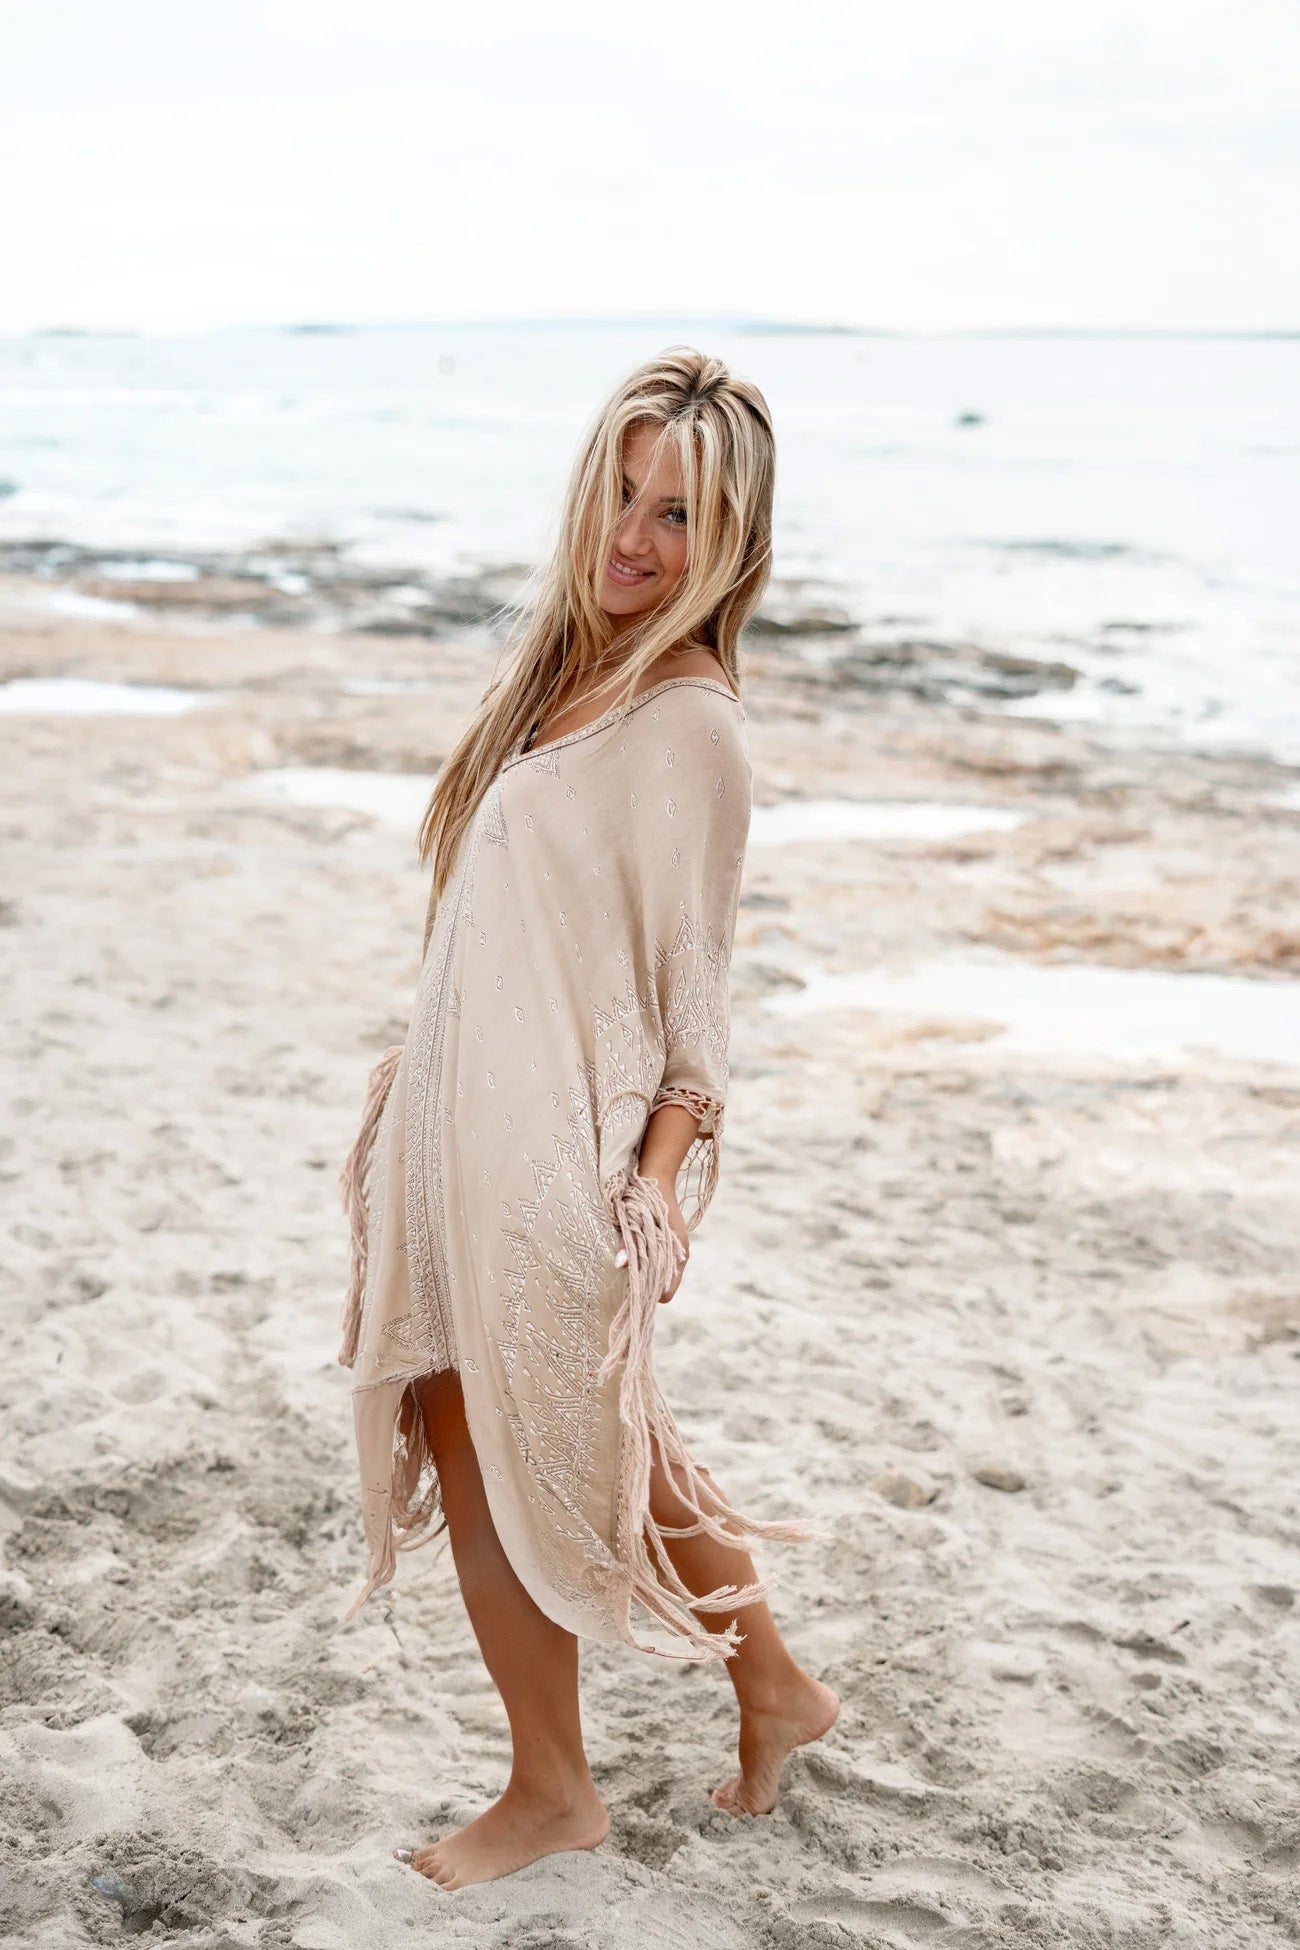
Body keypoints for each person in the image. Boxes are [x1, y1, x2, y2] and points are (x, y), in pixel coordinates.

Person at [336, 347, 840, 1891]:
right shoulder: (567, 671)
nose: (633, 536)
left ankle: (554, 1786)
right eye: (623, 493)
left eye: (677, 515)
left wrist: (655, 1188)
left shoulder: (692, 726)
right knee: (533, 1430)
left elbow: (696, 1013)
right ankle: (770, 1686)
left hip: (553, 1159)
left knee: (558, 1438)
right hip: (456, 1133)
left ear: (731, 542)